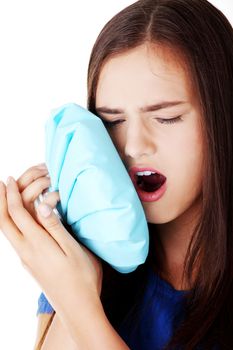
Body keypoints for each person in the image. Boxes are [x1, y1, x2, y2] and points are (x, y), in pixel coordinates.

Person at [0, 0, 232, 348]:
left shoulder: (74, 292)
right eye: (113, 121)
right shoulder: (78, 271)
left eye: (166, 117)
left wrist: (80, 307)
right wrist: (75, 276)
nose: (134, 146)